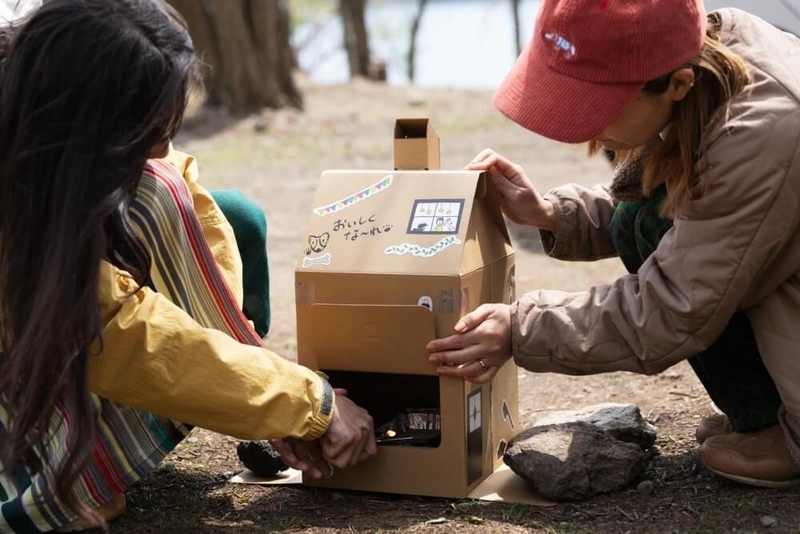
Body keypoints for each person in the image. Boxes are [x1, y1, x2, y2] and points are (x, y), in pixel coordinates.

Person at [0, 1, 375, 532]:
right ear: (87, 127)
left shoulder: (43, 111)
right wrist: (305, 402)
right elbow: (117, 332)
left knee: (187, 200)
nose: (164, 145)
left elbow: (188, 216)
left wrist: (265, 391)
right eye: (148, 132)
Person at [427, 0, 800, 489]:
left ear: (677, 85)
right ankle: (761, 412)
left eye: (597, 108)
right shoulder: (703, 51)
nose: (582, 126)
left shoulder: (763, 129)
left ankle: (783, 432)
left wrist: (521, 328)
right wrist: (549, 213)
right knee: (637, 218)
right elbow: (680, 203)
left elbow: (673, 306)